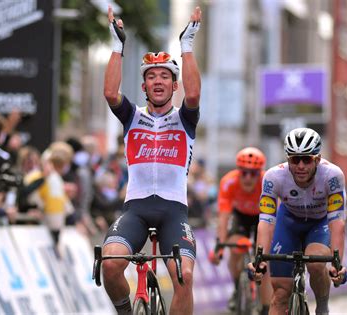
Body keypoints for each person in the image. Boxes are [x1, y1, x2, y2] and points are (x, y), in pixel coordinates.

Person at [101, 5, 202, 315]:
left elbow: (195, 95)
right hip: (137, 208)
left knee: (183, 276)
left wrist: (186, 48)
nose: (158, 81)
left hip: (174, 211)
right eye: (151, 77)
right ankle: (126, 312)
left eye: (165, 77)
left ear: (175, 86)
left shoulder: (184, 119)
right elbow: (109, 92)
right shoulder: (132, 117)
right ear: (144, 87)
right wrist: (117, 47)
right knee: (110, 263)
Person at [248, 128, 347, 315]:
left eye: (307, 159)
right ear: (287, 159)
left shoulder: (332, 176)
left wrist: (337, 263)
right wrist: (259, 257)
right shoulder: (273, 177)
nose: (300, 165)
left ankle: (322, 306)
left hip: (320, 222)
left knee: (317, 263)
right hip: (289, 222)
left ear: (317, 159)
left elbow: (337, 223)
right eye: (295, 159)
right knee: (279, 295)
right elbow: (266, 221)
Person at [210, 147, 272, 314]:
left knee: (264, 262)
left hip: (263, 218)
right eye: (244, 172)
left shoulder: (268, 181)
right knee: (236, 248)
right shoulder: (228, 182)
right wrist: (219, 246)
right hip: (240, 217)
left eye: (253, 173)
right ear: (238, 171)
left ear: (260, 172)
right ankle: (238, 286)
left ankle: (266, 308)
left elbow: (274, 218)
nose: (248, 178)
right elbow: (223, 218)